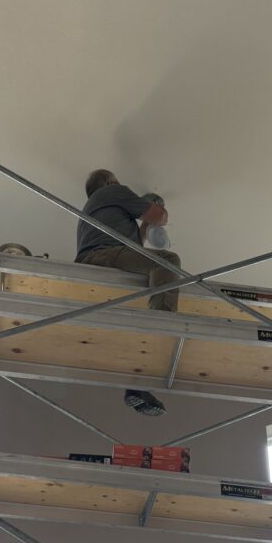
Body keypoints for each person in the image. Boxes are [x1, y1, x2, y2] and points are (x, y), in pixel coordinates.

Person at [76, 169, 182, 416]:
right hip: (105, 256)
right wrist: (155, 207)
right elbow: (159, 216)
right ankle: (162, 325)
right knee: (167, 261)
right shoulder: (114, 191)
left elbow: (134, 248)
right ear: (111, 182)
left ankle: (136, 385)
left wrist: (143, 225)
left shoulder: (94, 209)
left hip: (94, 261)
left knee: (128, 321)